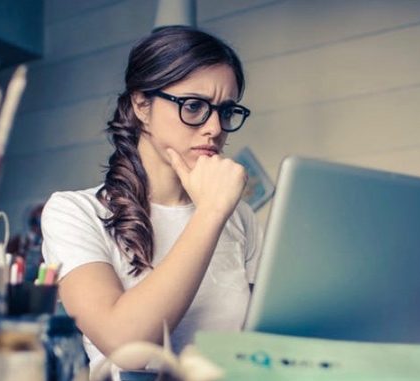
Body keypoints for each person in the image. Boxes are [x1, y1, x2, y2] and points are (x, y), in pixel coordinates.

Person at [40, 26, 262, 374]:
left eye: (226, 111)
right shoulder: (74, 212)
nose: (215, 128)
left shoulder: (241, 218)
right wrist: (211, 212)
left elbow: (258, 345)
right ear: (141, 105)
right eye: (193, 106)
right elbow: (128, 349)